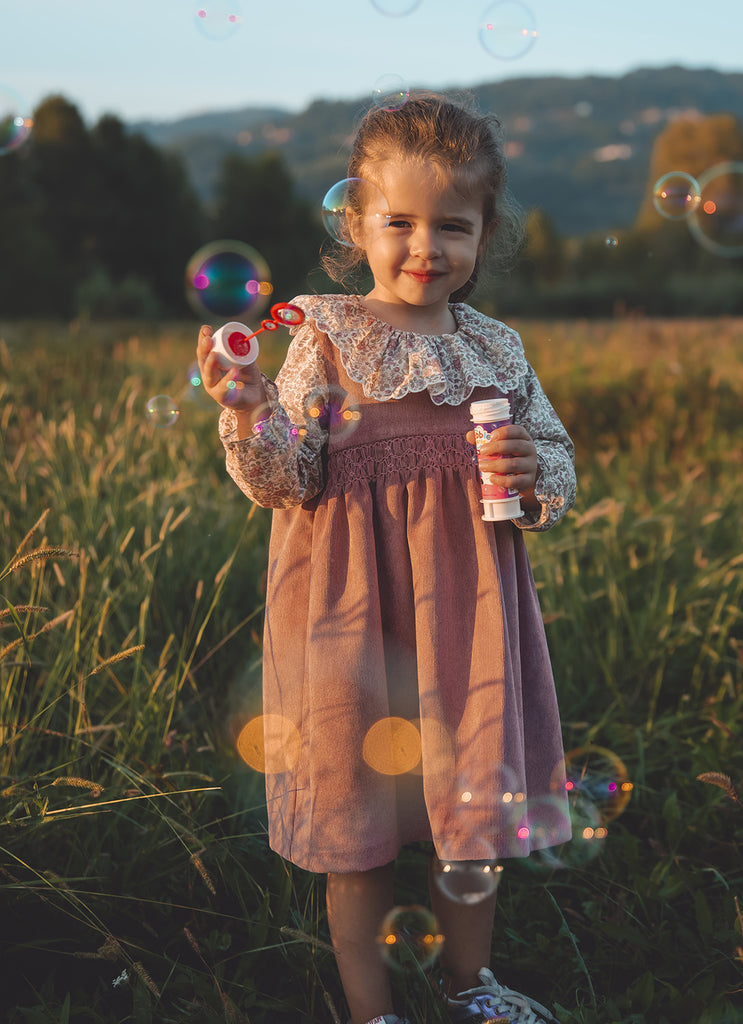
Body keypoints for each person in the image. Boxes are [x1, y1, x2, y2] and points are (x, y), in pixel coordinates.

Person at [196, 93, 576, 1024]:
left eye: (452, 225)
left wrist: (533, 470)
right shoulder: (325, 333)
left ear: (485, 234)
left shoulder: (495, 348)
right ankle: (371, 1012)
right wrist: (249, 411)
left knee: (470, 818)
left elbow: (555, 470)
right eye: (397, 222)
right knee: (354, 822)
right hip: (347, 616)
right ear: (355, 223)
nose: (424, 246)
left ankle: (467, 990)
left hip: (468, 616)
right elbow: (283, 477)